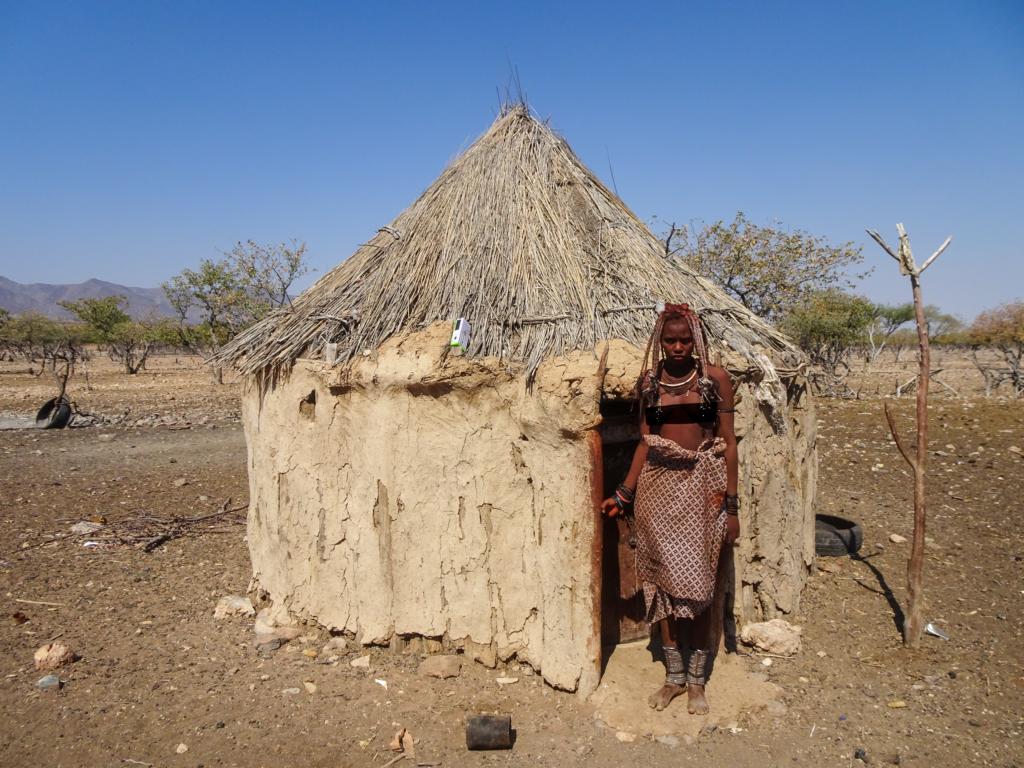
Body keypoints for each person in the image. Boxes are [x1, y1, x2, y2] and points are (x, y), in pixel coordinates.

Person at [602, 303, 740, 715]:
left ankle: (698, 681)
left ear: (695, 341)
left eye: (684, 340)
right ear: (660, 343)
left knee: (698, 588)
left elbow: (729, 442)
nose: (678, 347)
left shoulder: (716, 380)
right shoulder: (649, 383)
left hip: (702, 491)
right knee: (661, 587)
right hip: (657, 494)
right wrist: (625, 491)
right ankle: (673, 677)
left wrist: (731, 506)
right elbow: (646, 442)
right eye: (670, 341)